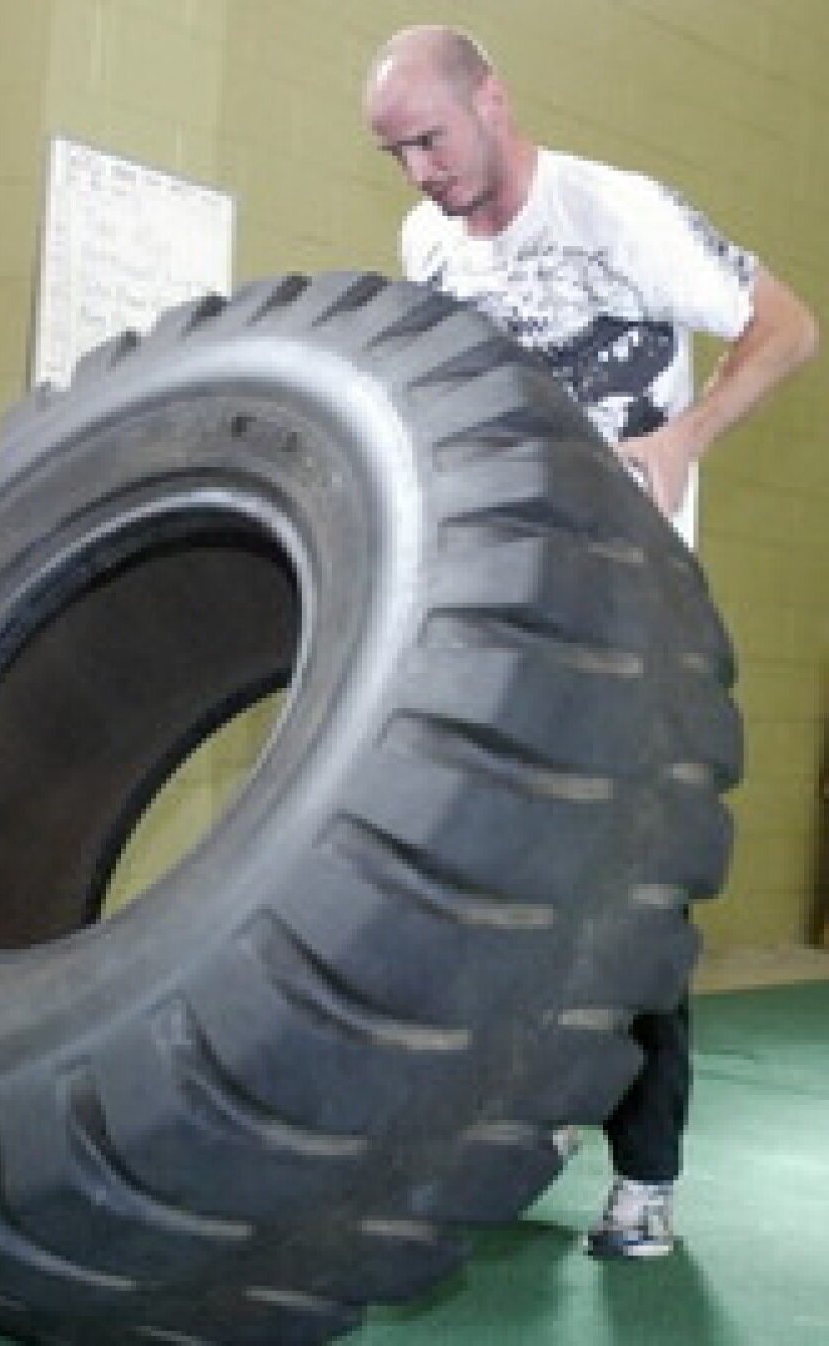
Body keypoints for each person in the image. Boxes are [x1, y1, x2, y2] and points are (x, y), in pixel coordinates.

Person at [363, 25, 818, 1259]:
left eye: (431, 139)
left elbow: (789, 326)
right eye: (397, 153)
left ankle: (646, 1178)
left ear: (492, 101)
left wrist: (685, 438)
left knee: (631, 898)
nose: (420, 172)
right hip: (499, 617)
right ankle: (519, 1118)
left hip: (631, 618)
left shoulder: (617, 214)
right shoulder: (426, 246)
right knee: (476, 885)